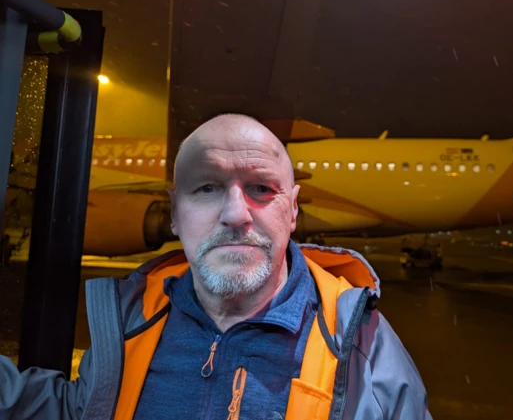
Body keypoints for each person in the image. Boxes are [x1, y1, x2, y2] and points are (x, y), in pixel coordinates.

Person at [0, 113, 432, 419]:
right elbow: (81, 410)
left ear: (293, 210)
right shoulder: (134, 318)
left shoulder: (359, 341)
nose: (236, 214)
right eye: (207, 188)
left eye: (261, 188)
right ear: (173, 213)